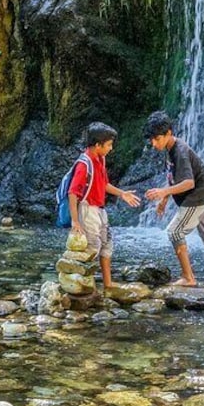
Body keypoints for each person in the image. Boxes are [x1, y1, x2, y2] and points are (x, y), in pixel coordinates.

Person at [143, 111, 204, 285]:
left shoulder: (179, 151)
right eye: (151, 139)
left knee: (175, 232)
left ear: (168, 133)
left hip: (199, 195)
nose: (153, 143)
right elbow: (173, 177)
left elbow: (188, 182)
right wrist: (164, 201)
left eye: (156, 138)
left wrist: (164, 192)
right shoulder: (170, 149)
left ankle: (189, 278)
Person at [68, 122, 141, 290]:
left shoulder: (100, 159)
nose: (111, 148)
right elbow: (72, 193)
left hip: (100, 209)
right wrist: (75, 221)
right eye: (108, 145)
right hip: (87, 210)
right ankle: (85, 285)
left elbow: (104, 184)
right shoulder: (84, 165)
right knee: (92, 247)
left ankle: (107, 283)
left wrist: (122, 194)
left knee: (106, 244)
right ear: (97, 145)